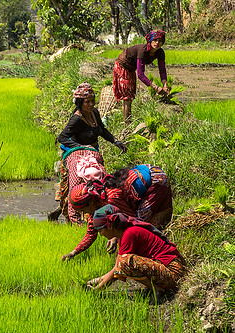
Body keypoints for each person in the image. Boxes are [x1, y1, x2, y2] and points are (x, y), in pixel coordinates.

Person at [49, 82, 126, 224]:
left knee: (97, 185)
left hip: (93, 156)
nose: (91, 104)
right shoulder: (77, 119)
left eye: (92, 101)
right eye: (87, 102)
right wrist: (80, 147)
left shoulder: (94, 113)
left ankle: (92, 217)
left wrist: (115, 141)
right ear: (80, 103)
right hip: (78, 159)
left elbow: (102, 130)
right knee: (77, 188)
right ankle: (72, 217)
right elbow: (62, 137)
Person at [61, 164, 172, 261]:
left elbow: (131, 220)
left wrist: (115, 236)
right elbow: (91, 233)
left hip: (156, 179)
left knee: (141, 224)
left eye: (83, 210)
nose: (84, 214)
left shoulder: (111, 198)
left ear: (90, 203)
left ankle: (161, 253)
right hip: (146, 175)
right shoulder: (96, 204)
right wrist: (73, 253)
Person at [86, 205, 185, 291]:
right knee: (123, 261)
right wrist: (97, 280)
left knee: (124, 261)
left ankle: (158, 290)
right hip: (167, 271)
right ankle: (157, 289)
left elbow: (119, 267)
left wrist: (97, 289)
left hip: (174, 275)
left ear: (110, 226)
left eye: (100, 230)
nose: (101, 235)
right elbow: (117, 268)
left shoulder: (130, 234)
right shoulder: (124, 234)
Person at [113, 29, 170, 124]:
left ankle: (128, 121)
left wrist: (165, 85)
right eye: (155, 40)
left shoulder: (160, 52)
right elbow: (140, 74)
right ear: (150, 41)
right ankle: (127, 124)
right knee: (127, 97)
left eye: (160, 41)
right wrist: (155, 87)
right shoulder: (142, 51)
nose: (157, 43)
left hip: (131, 68)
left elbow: (162, 70)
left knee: (131, 95)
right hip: (122, 65)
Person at [104, 164, 172, 227]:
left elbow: (131, 218)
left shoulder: (110, 198)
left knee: (139, 223)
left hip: (157, 180)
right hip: (150, 169)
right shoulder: (103, 186)